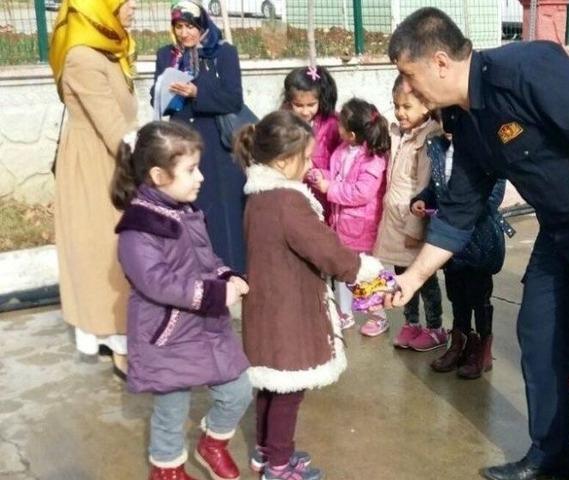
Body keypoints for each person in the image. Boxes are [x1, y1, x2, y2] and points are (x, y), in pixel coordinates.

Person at [384, 8, 569, 480]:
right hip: (560, 225)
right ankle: (551, 457)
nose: (407, 90)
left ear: (438, 61)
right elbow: (459, 210)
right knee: (538, 334)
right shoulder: (463, 118)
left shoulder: (527, 68)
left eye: (408, 77)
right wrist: (412, 279)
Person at [236, 111, 384, 480]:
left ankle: (264, 451)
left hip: (267, 307)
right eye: (306, 158)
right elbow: (324, 248)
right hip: (290, 311)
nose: (309, 165)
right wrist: (361, 269)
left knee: (269, 385)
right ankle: (279, 465)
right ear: (285, 161)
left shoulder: (259, 197)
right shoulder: (288, 201)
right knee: (289, 388)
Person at [112, 121, 252, 480]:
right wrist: (217, 294)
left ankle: (213, 443)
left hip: (206, 327)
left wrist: (224, 275)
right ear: (158, 175)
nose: (201, 177)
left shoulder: (185, 211)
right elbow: (158, 283)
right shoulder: (138, 228)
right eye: (191, 170)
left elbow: (206, 260)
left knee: (238, 390)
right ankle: (167, 469)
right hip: (168, 335)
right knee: (171, 412)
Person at [48, 0, 138, 376]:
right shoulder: (82, 56)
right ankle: (118, 342)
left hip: (113, 160)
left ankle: (119, 334)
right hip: (96, 165)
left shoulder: (109, 48)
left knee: (120, 247)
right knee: (106, 252)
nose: (133, 7)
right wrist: (155, 163)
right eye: (125, 1)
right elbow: (112, 127)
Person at [153, 0, 247, 272]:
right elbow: (156, 98)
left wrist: (197, 93)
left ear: (202, 24)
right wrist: (164, 95)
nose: (184, 33)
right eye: (179, 26)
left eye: (190, 26)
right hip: (181, 144)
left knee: (223, 214)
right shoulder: (167, 55)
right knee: (190, 209)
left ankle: (232, 273)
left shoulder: (223, 53)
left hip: (217, 147)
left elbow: (233, 99)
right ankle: (195, 272)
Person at [415, 130, 513, 379]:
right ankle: (458, 343)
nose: (451, 125)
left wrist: (455, 211)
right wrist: (421, 200)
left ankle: (480, 349)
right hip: (450, 238)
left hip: (479, 236)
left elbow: (493, 194)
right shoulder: (437, 146)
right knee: (456, 292)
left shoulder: (486, 145)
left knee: (478, 293)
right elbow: (435, 187)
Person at [373, 76, 446, 351]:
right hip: (395, 222)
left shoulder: (430, 137)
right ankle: (411, 323)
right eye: (396, 105)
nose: (400, 112)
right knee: (401, 275)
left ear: (426, 106)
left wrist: (416, 228)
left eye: (407, 106)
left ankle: (435, 327)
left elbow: (425, 185)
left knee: (424, 280)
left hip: (413, 222)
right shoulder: (399, 133)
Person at [308, 98, 390, 337]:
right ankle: (345, 313)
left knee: (367, 274)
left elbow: (361, 192)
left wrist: (328, 188)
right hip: (342, 225)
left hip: (361, 228)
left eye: (341, 125)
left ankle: (378, 314)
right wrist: (320, 175)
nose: (337, 127)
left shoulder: (373, 159)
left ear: (352, 134)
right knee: (343, 272)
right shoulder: (343, 151)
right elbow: (336, 175)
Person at [281, 65, 341, 218]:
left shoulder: (334, 124)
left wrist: (322, 175)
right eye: (299, 105)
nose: (305, 111)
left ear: (321, 100)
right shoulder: (283, 123)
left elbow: (344, 164)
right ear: (289, 101)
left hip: (325, 195)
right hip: (294, 194)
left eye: (311, 105)